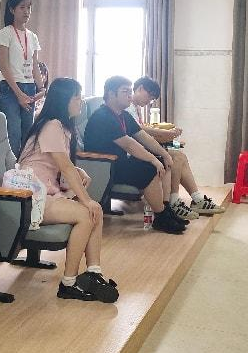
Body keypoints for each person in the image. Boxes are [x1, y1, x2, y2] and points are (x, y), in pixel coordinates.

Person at [18, 77, 119, 303]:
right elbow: (64, 167)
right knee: (87, 212)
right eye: (77, 98)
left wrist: (78, 171)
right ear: (63, 100)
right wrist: (86, 199)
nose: (81, 102)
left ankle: (93, 273)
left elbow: (61, 163)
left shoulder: (62, 127)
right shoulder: (52, 125)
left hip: (46, 192)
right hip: (31, 196)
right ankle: (69, 283)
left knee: (95, 211)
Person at [83, 76, 187, 235]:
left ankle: (165, 209)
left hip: (119, 162)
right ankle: (160, 217)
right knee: (149, 168)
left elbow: (143, 137)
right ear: (111, 94)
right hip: (105, 166)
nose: (130, 95)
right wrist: (153, 160)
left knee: (162, 161)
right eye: (125, 91)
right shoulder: (103, 116)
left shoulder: (123, 115)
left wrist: (163, 154)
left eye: (130, 91)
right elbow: (129, 144)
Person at [128, 76, 225, 219]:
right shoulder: (127, 107)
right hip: (133, 153)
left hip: (140, 147)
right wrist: (165, 133)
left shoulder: (136, 108)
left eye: (152, 99)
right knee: (177, 157)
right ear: (140, 88)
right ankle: (176, 202)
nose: (149, 101)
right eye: (150, 96)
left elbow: (141, 131)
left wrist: (165, 134)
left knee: (180, 156)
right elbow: (138, 129)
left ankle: (195, 199)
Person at [0, 0, 46, 156]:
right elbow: (4, 67)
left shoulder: (32, 36)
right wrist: (18, 94)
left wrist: (42, 88)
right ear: (12, 10)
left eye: (29, 8)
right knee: (13, 133)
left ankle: (25, 167)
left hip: (29, 87)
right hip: (10, 88)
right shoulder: (6, 33)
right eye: (22, 7)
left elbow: (34, 65)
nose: (26, 11)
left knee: (28, 133)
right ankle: (12, 168)